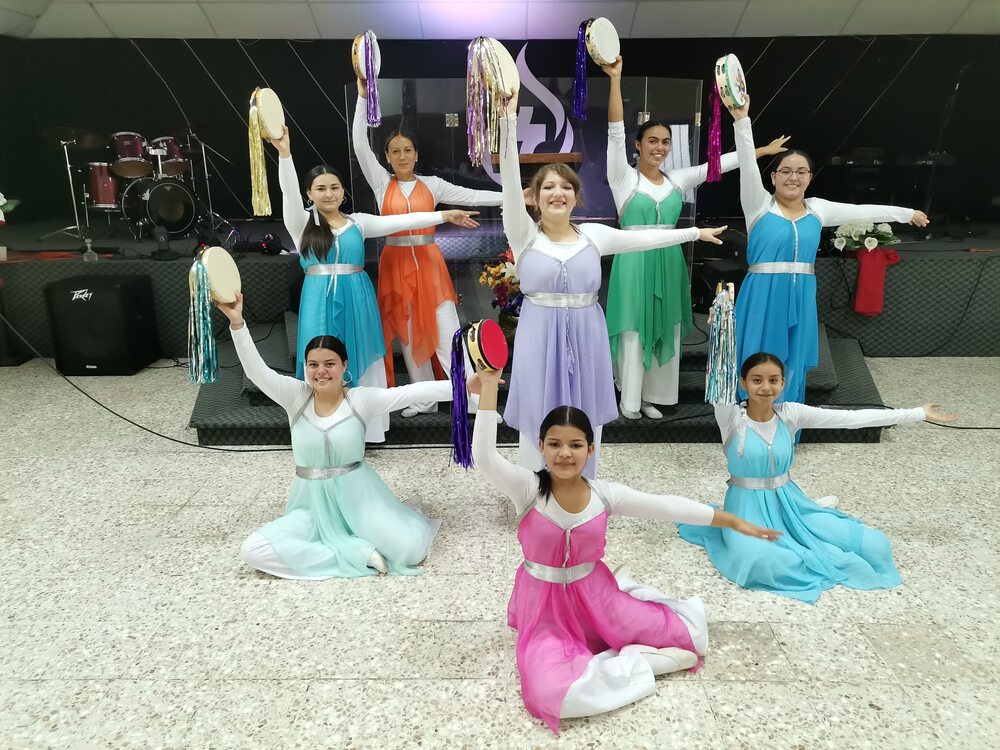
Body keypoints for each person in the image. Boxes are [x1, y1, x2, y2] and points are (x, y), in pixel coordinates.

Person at [470, 367, 781, 733]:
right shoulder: (527, 489)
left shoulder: (604, 495)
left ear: (590, 449)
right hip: (545, 613)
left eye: (575, 445)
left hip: (598, 599)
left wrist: (732, 521)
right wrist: (487, 391)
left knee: (692, 636)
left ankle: (632, 637)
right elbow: (485, 457)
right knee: (552, 694)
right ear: (541, 446)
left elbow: (665, 506)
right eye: (554, 444)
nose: (565, 454)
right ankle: (643, 663)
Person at [499, 91, 727, 477]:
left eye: (566, 187)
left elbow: (646, 237)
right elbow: (508, 185)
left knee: (585, 410)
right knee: (539, 406)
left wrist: (693, 234)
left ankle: (583, 481)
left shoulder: (594, 235)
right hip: (538, 334)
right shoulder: (524, 236)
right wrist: (507, 123)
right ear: (534, 198)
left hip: (587, 333)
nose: (557, 193)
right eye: (548, 187)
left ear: (576, 197)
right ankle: (535, 484)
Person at [678, 352, 959, 603]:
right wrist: (721, 325)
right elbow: (718, 373)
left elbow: (852, 419)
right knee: (761, 561)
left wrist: (918, 413)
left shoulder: (790, 414)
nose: (765, 387)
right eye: (757, 380)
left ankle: (816, 512)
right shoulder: (729, 417)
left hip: (790, 503)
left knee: (874, 544)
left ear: (783, 383)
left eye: (774, 380)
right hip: (745, 509)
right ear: (743, 383)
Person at [217, 292, 457, 579]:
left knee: (410, 551)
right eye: (313, 365)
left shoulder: (360, 400)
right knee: (253, 550)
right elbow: (257, 373)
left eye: (329, 364)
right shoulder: (295, 396)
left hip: (360, 499)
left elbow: (411, 393)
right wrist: (237, 324)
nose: (321, 372)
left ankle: (349, 545)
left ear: (344, 365)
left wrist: (464, 386)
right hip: (310, 506)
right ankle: (356, 553)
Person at [603, 56, 790, 418]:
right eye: (652, 141)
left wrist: (762, 151)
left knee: (667, 328)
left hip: (669, 263)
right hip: (633, 262)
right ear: (638, 145)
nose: (660, 147)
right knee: (634, 329)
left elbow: (720, 165)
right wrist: (615, 79)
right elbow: (614, 130)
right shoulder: (623, 177)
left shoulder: (677, 179)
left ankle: (652, 396)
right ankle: (630, 398)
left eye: (665, 142)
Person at [268, 126, 479, 440]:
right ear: (309, 193)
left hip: (358, 297)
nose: (329, 194)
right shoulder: (302, 225)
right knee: (320, 354)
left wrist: (443, 216)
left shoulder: (359, 222)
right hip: (317, 299)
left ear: (343, 191)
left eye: (334, 187)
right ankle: (321, 425)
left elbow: (403, 221)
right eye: (321, 188)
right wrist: (285, 154)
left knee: (361, 356)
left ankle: (366, 429)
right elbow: (287, 193)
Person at [728, 95, 929, 404]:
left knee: (792, 357)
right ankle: (750, 416)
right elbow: (745, 162)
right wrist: (742, 119)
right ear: (773, 177)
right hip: (762, 293)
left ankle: (787, 416)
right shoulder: (758, 204)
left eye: (801, 171)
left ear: (810, 177)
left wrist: (906, 213)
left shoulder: (818, 209)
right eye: (786, 171)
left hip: (801, 292)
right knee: (757, 353)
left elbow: (861, 210)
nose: (793, 177)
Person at [354, 79, 503, 416]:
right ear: (387, 158)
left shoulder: (432, 185)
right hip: (395, 267)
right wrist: (363, 97)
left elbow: (471, 195)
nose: (402, 156)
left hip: (430, 266)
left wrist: (513, 196)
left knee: (448, 333)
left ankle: (472, 398)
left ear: (416, 154)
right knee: (408, 338)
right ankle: (424, 399)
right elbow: (359, 144)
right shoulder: (381, 184)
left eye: (407, 150)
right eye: (395, 151)